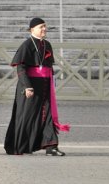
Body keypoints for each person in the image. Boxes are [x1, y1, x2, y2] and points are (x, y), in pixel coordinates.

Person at [4, 17, 70, 156]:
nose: (44, 29)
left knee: (48, 115)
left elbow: (48, 66)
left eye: (45, 26)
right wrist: (27, 86)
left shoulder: (47, 44)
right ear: (32, 29)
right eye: (41, 27)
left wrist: (52, 81)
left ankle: (51, 146)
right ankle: (20, 146)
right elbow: (20, 68)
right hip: (31, 86)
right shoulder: (26, 45)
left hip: (45, 85)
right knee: (27, 116)